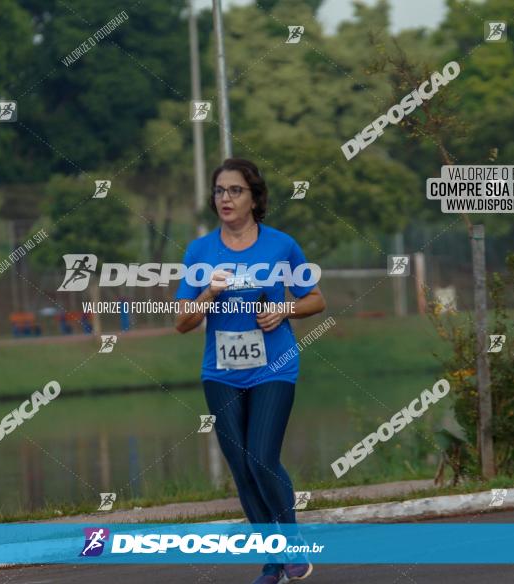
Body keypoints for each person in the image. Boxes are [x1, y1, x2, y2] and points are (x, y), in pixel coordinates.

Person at [175, 158, 326, 584]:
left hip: (273, 368)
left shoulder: (280, 246)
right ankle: (272, 562)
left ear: (254, 197)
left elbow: (316, 299)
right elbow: (182, 321)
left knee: (261, 457)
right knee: (241, 469)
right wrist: (209, 291)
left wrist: (283, 309)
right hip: (221, 373)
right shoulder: (200, 252)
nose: (225, 198)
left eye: (235, 190)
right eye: (220, 191)